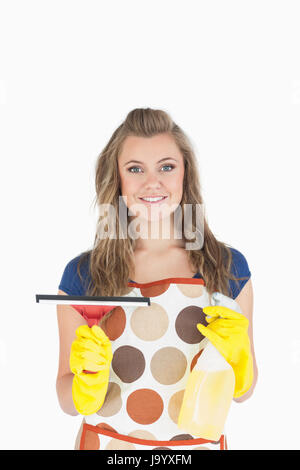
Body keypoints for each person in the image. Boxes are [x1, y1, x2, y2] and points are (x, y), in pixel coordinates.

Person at [56, 108, 258, 450]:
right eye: (135, 169)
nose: (153, 182)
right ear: (117, 178)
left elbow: (244, 393)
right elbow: (65, 398)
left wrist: (241, 362)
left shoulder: (226, 267)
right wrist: (83, 383)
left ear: (185, 174)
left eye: (167, 166)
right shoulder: (85, 274)